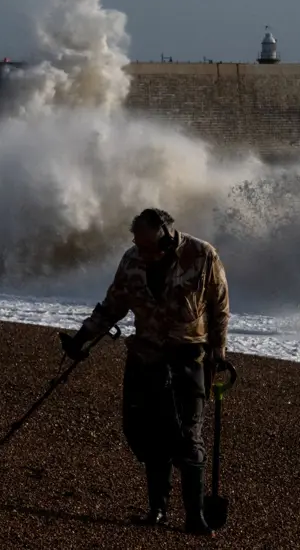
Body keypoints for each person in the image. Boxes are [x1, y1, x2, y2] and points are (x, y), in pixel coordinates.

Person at [60, 207, 229, 537]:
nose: (142, 251)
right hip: (145, 357)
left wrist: (218, 350)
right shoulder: (131, 259)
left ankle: (195, 517)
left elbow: (219, 305)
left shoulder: (202, 255)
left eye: (148, 245)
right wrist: (81, 338)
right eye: (137, 243)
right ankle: (158, 510)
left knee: (187, 437)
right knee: (146, 433)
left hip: (187, 358)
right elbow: (113, 305)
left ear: (166, 238)